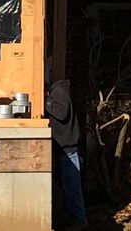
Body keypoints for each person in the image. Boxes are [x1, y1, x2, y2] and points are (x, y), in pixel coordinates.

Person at [46, 78, 87, 229]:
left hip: (67, 149)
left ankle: (79, 221)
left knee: (72, 187)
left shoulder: (59, 92)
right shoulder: (60, 91)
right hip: (65, 148)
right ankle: (75, 219)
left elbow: (62, 113)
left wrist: (46, 102)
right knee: (69, 186)